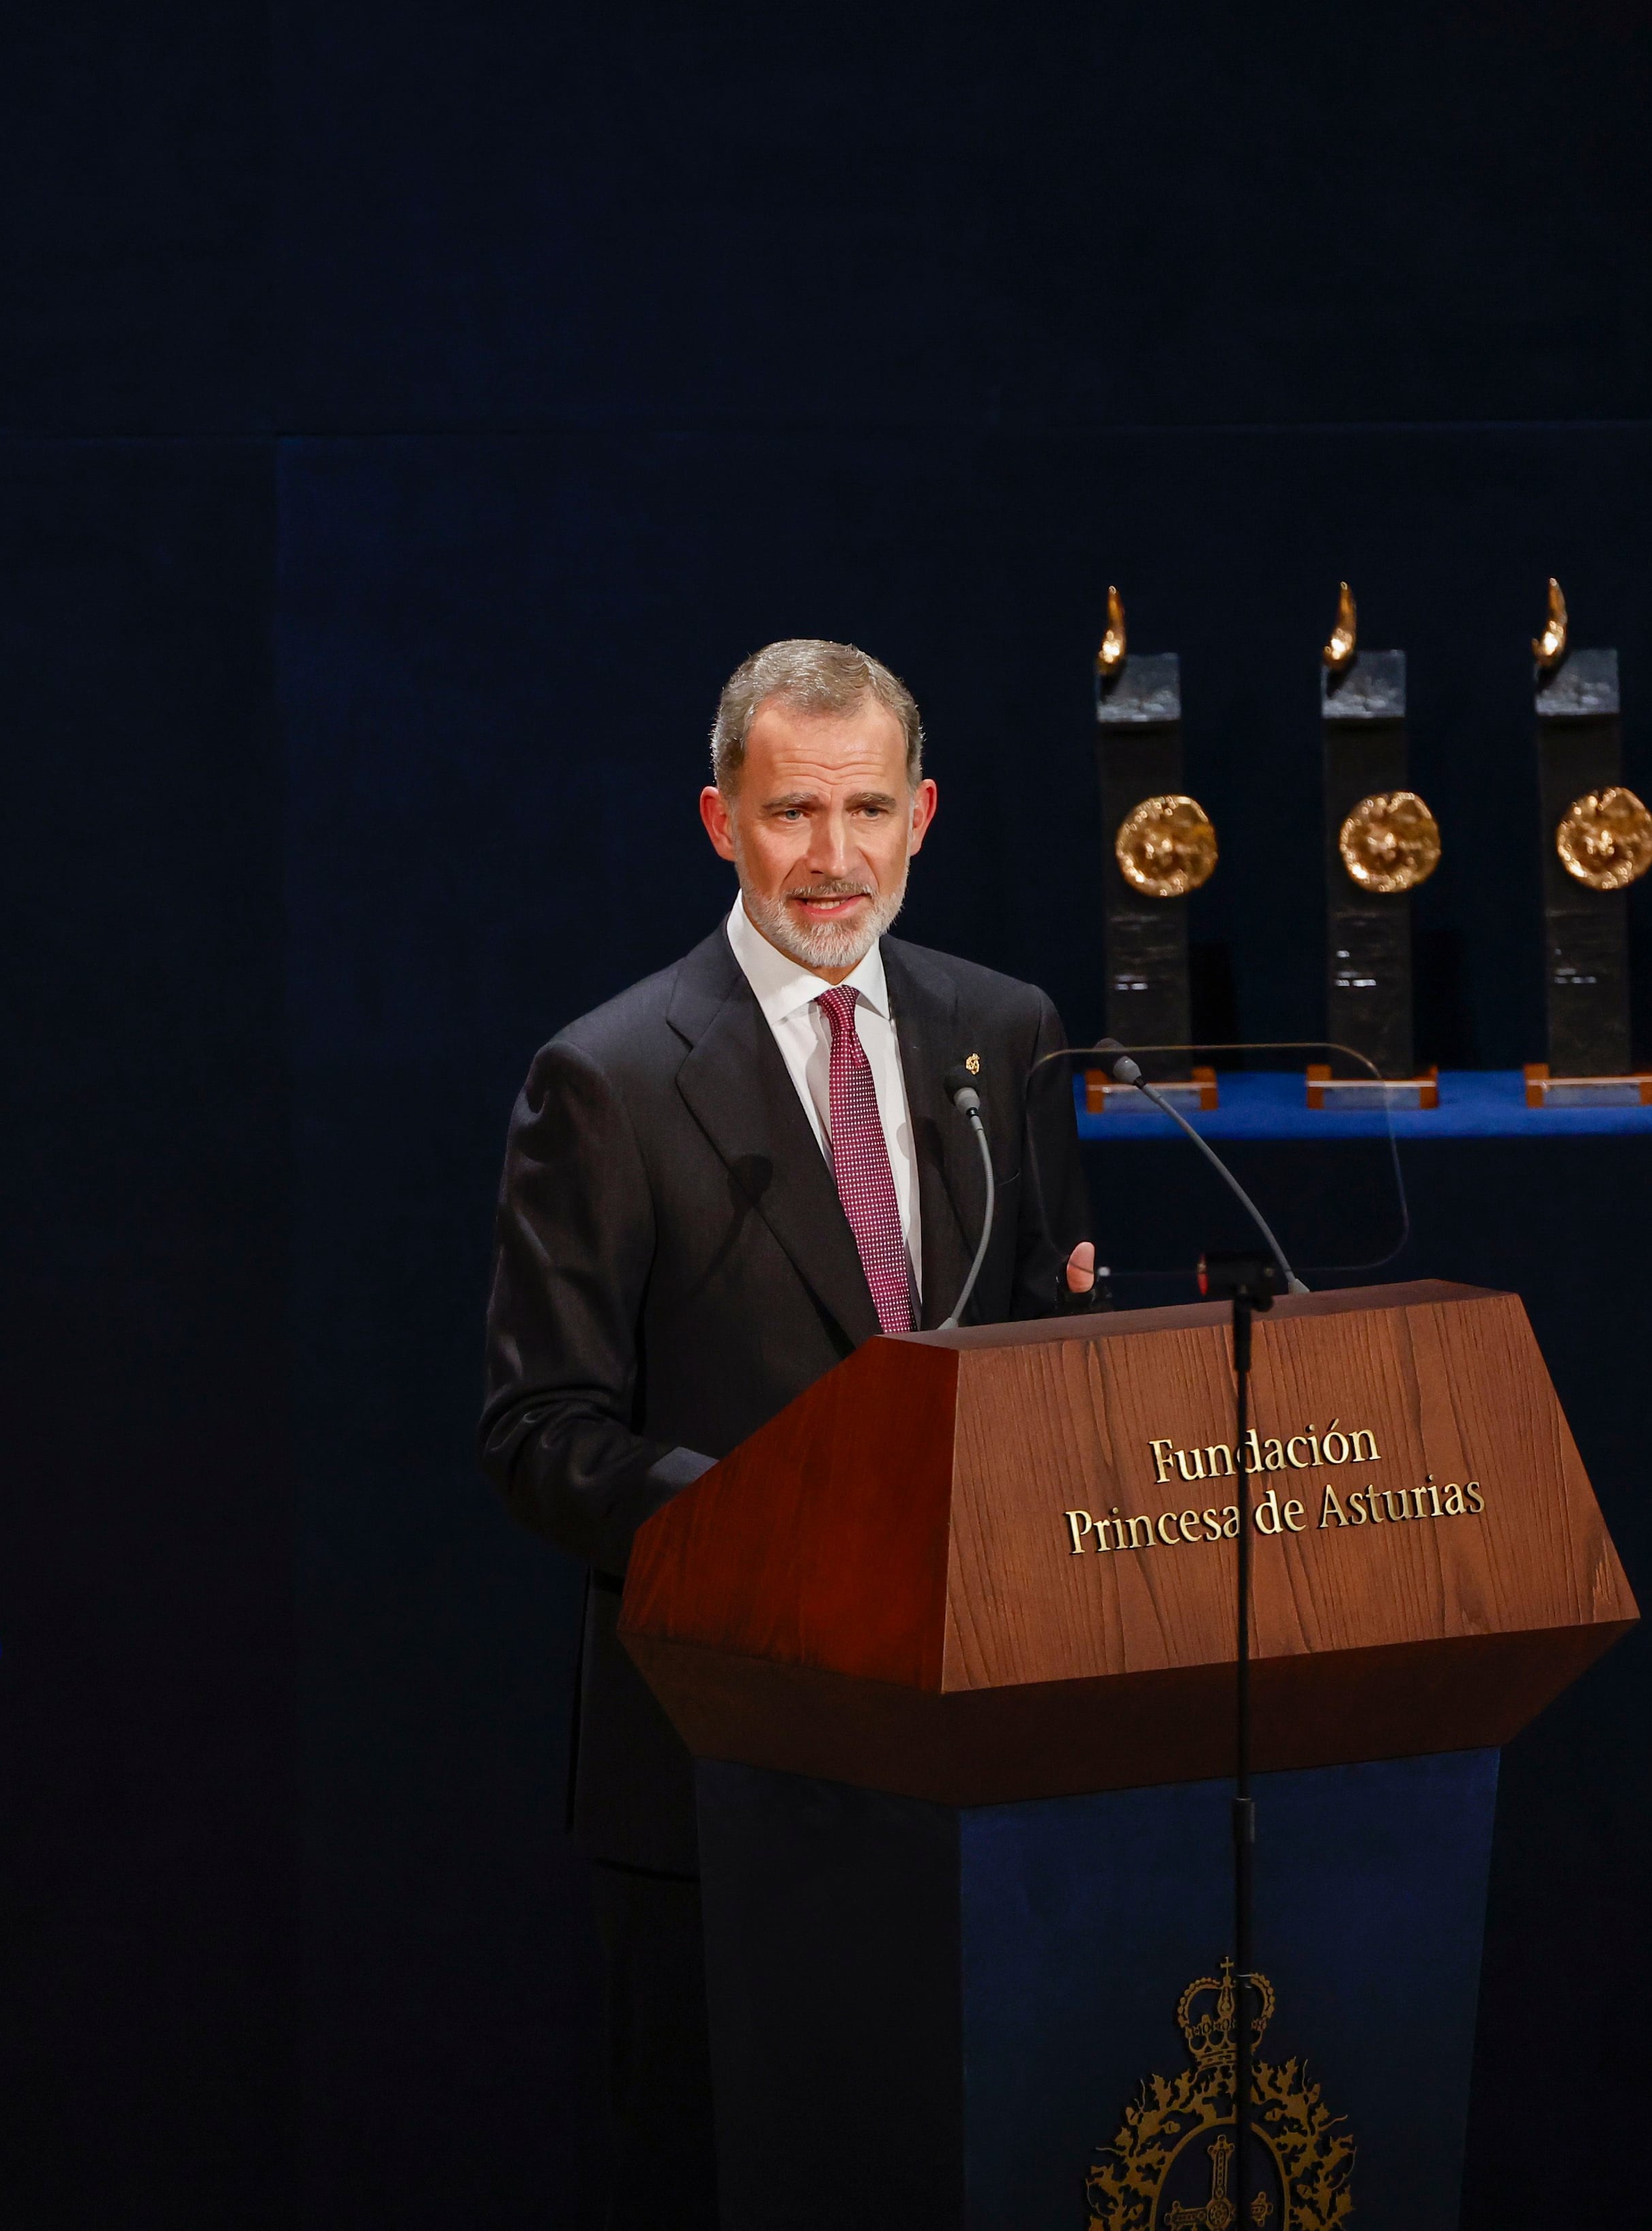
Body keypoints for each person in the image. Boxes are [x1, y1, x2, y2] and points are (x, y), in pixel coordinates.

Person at [479, 639, 1096, 2225]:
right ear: (717, 821)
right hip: (721, 1758)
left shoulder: (1008, 1033)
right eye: (790, 812)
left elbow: (1035, 1338)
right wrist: (782, 1520)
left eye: (867, 809)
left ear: (923, 815)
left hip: (985, 1746)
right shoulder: (606, 1079)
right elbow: (540, 1429)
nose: (832, 857)